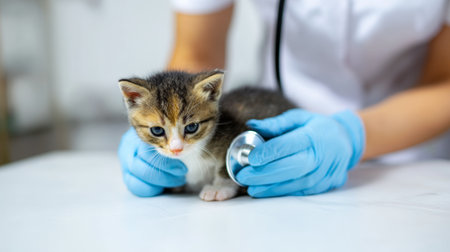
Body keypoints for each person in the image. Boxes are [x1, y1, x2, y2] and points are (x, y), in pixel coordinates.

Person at [118, 0, 450, 197]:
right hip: (265, 142)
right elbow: (197, 53)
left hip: (411, 154)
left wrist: (351, 135)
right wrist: (155, 119)